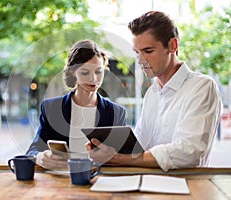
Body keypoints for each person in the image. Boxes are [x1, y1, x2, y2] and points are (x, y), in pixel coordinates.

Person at [86, 11, 222, 171]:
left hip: (184, 187)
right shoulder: (152, 93)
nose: (140, 61)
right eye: (137, 52)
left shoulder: (202, 87)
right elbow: (140, 146)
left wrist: (121, 159)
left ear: (173, 46)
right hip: (147, 184)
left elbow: (189, 152)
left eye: (148, 51)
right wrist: (108, 149)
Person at [26, 39, 126, 170]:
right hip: (61, 181)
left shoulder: (116, 112)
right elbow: (34, 149)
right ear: (73, 72)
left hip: (100, 181)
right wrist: (41, 157)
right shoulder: (52, 108)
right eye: (85, 72)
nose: (93, 79)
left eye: (98, 71)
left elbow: (124, 156)